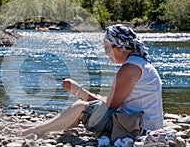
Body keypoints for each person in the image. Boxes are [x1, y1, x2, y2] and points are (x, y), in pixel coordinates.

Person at [16, 24, 164, 139]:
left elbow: (109, 106)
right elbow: (110, 104)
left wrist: (78, 91)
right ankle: (42, 127)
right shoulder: (140, 63)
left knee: (80, 107)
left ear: (121, 47)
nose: (106, 53)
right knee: (80, 111)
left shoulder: (129, 69)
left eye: (108, 48)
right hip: (144, 126)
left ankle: (38, 130)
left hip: (138, 130)